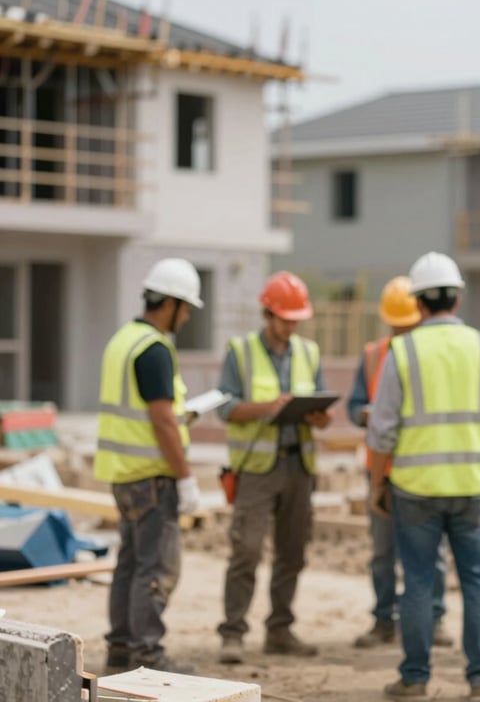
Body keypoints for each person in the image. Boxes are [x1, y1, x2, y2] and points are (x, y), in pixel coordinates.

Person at [368, 252, 480, 701]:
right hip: (473, 486)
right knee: (477, 582)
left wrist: (377, 484)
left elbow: (382, 431)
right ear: (458, 298)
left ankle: (415, 678)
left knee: (417, 582)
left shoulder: (403, 351)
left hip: (415, 489)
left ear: (417, 302)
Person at [94, 257, 204, 675]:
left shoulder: (122, 340)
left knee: (129, 565)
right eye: (186, 307)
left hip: (124, 474)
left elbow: (148, 413)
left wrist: (180, 418)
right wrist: (186, 478)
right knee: (155, 568)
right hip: (152, 478)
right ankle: (147, 654)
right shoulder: (154, 349)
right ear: (170, 303)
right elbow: (160, 421)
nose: (187, 316)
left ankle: (121, 650)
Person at [217, 270, 331, 663]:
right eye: (285, 319)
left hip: (299, 465)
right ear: (267, 314)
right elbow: (225, 407)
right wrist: (268, 407)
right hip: (256, 468)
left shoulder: (308, 353)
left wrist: (319, 417)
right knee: (246, 550)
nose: (291, 326)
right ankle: (233, 632)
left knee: (292, 552)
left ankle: (280, 630)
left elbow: (321, 404)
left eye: (297, 320)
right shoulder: (240, 351)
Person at [348, 276, 453, 650]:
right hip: (382, 467)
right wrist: (367, 414)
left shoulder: (429, 354)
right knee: (382, 552)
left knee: (431, 551)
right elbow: (354, 405)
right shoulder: (374, 355)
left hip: (419, 468)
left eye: (406, 325)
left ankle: (434, 620)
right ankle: (383, 619)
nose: (401, 332)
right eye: (396, 326)